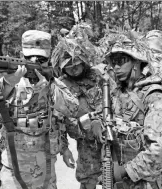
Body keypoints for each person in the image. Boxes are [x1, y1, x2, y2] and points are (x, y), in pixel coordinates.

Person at [84, 34, 162, 188]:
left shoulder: (156, 97)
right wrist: (97, 123)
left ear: (137, 62)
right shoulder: (117, 93)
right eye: (113, 62)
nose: (115, 67)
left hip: (154, 181)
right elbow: (99, 114)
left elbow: (161, 151)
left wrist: (124, 171)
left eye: (121, 61)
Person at [0, 30, 79, 189]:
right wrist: (7, 85)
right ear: (22, 56)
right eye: (30, 58)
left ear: (49, 59)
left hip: (45, 168)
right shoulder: (10, 82)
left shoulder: (52, 83)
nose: (35, 62)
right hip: (13, 168)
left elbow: (72, 109)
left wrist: (48, 88)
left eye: (41, 59)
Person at [51, 34, 114, 189]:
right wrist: (64, 149)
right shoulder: (61, 85)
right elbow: (58, 121)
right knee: (87, 181)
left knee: (114, 178)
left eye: (77, 63)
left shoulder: (99, 76)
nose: (73, 68)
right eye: (68, 65)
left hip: (110, 137)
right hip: (86, 143)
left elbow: (117, 99)